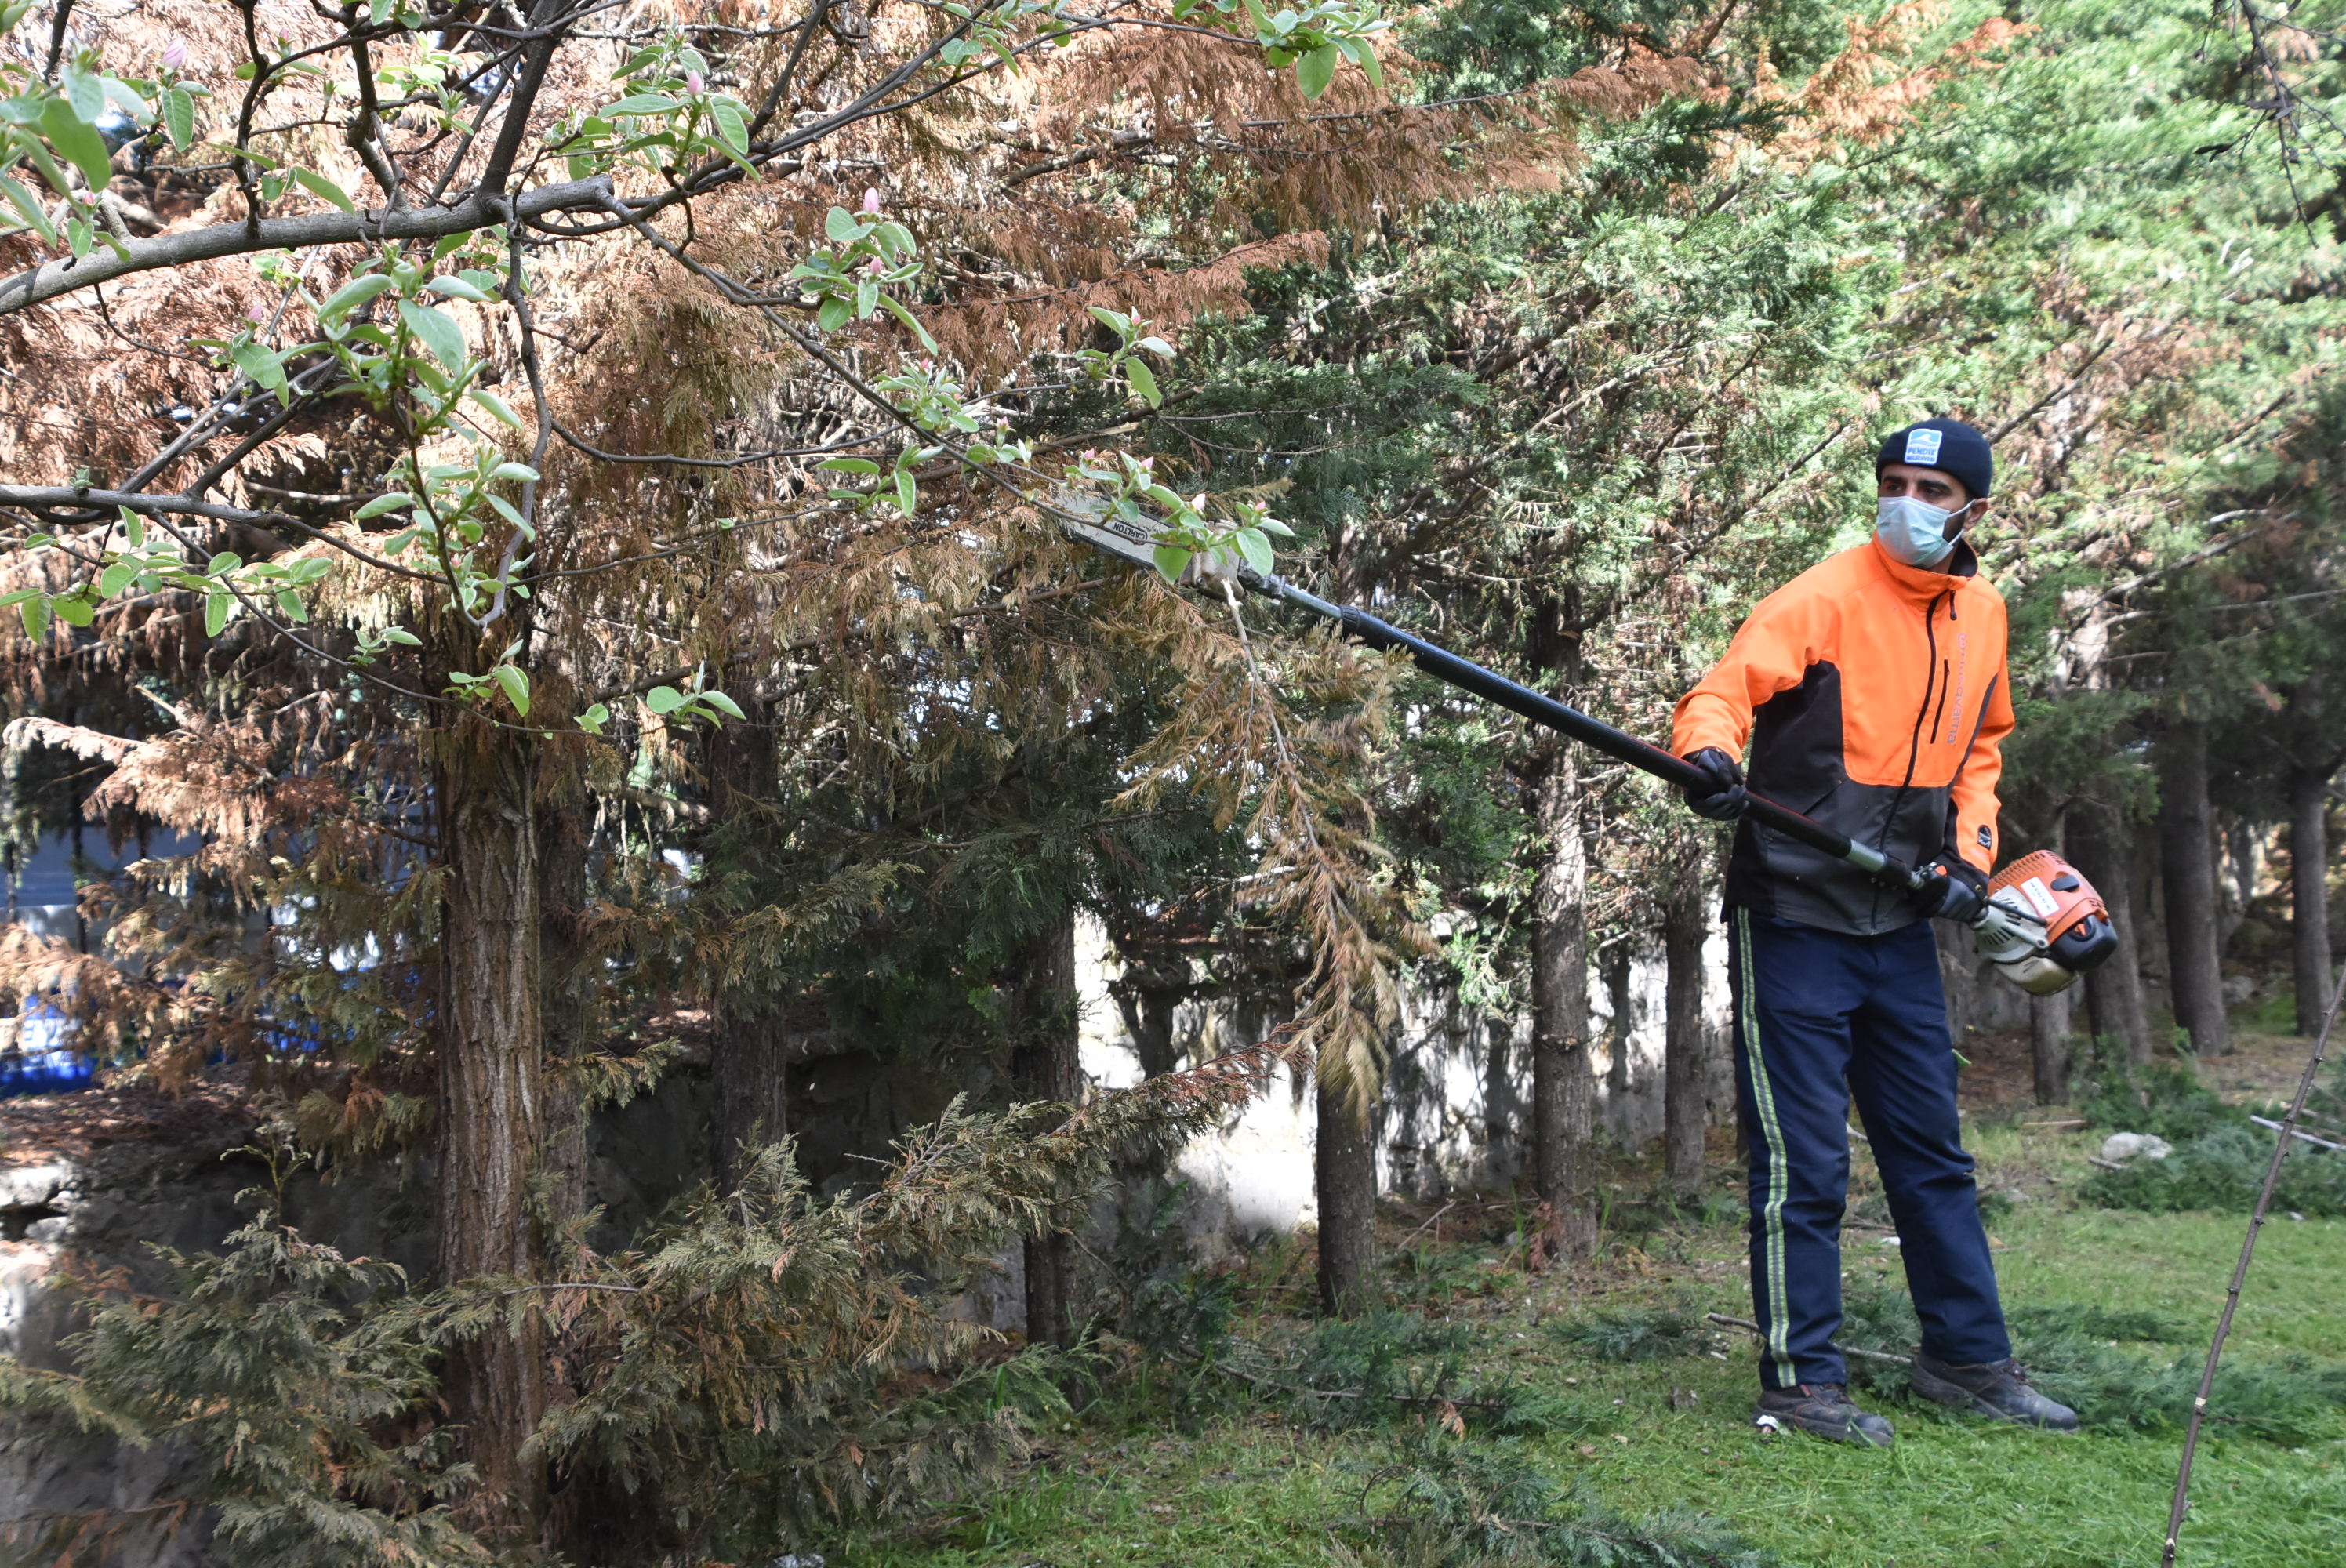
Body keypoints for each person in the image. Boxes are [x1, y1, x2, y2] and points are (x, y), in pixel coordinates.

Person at [1669, 418, 2078, 1447]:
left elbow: (1981, 750)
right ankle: (1801, 1384)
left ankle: (1968, 1360)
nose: (1908, 503)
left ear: (1974, 511)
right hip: (1798, 913)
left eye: (1932, 490)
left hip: (1899, 921)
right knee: (1804, 1164)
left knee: (1930, 1154)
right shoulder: (1825, 596)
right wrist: (1710, 759)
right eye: (1894, 483)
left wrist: (1969, 861)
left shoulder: (1984, 615)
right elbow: (1722, 693)